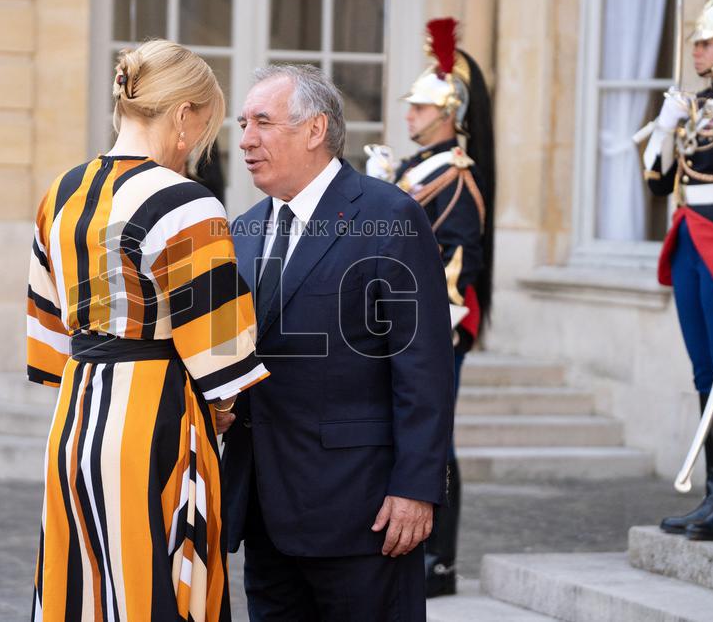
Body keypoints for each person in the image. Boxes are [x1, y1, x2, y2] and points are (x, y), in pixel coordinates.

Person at [25, 39, 268, 621]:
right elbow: (222, 353)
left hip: (78, 415)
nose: (203, 139)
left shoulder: (60, 193)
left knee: (80, 588)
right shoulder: (184, 201)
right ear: (183, 114)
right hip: (157, 415)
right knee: (157, 586)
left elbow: (48, 331)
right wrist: (226, 404)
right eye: (206, 121)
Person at [220, 64, 455, 621]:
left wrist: (417, 488)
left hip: (363, 512)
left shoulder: (390, 216)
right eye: (242, 123)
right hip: (264, 512)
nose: (247, 139)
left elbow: (423, 366)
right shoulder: (245, 228)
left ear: (314, 129)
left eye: (262, 122)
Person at [364, 17, 495, 595]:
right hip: (410, 324)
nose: (410, 116)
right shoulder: (420, 170)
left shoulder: (456, 178)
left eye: (420, 109)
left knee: (435, 437)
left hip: (437, 327)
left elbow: (458, 267)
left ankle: (440, 561)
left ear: (448, 114)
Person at [643, 0, 713, 541]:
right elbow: (659, 182)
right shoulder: (700, 106)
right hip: (689, 237)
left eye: (708, 42)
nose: (698, 51)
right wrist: (664, 126)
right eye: (698, 42)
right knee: (706, 368)